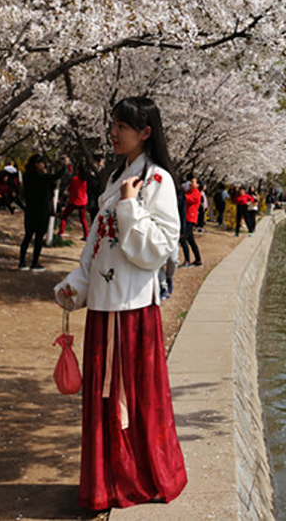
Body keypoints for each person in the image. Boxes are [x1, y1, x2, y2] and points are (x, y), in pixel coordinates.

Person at [54, 96, 186, 511]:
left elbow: (159, 250)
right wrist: (76, 284)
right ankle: (104, 483)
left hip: (132, 311)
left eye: (122, 127)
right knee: (104, 397)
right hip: (104, 309)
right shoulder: (117, 179)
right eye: (112, 125)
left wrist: (130, 207)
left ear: (145, 132)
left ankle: (136, 479)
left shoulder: (157, 181)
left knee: (131, 398)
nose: (113, 133)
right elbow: (96, 248)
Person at [18, 154, 65, 271]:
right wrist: (65, 164)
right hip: (42, 211)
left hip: (30, 210)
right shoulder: (41, 177)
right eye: (41, 163)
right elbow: (57, 176)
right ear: (36, 164)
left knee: (28, 236)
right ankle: (35, 262)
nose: (44, 165)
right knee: (39, 237)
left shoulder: (27, 176)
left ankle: (22, 262)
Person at [58, 165, 90, 240]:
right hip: (83, 201)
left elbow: (69, 189)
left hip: (74, 201)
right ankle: (86, 235)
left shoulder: (75, 179)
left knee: (64, 217)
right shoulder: (84, 181)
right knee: (83, 219)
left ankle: (61, 232)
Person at [179, 177, 202, 267]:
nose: (190, 184)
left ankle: (187, 260)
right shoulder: (188, 192)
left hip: (191, 218)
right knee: (191, 240)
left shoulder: (196, 194)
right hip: (185, 218)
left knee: (183, 238)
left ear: (197, 185)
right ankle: (198, 260)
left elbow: (188, 199)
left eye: (193, 182)